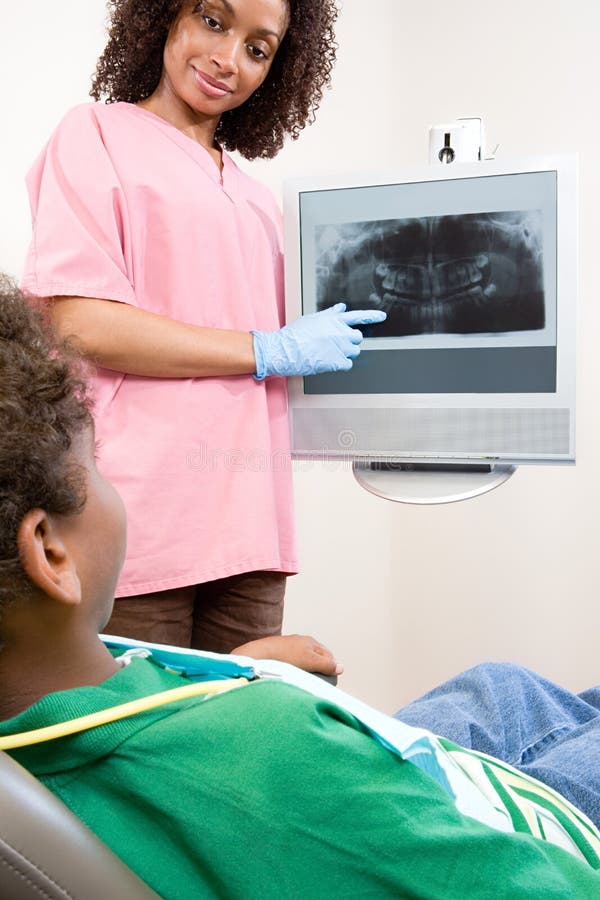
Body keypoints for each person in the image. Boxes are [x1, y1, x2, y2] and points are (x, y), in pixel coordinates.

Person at [2, 278, 600, 898]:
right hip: (484, 833)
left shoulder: (31, 746)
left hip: (271, 775)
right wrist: (255, 711)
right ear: (50, 550)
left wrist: (231, 675)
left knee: (498, 686)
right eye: (98, 465)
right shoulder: (267, 750)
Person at [21, 0, 387, 654]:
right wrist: (267, 348)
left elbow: (293, 365)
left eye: (258, 48)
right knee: (144, 738)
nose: (228, 61)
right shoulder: (96, 136)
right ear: (164, 15)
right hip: (140, 519)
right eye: (214, 21)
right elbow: (80, 324)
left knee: (243, 740)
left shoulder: (256, 199)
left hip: (252, 523)